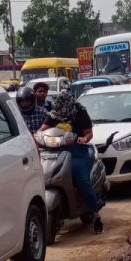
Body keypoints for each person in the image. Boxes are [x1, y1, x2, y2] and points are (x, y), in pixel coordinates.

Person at [41, 90, 103, 233]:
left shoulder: (80, 113)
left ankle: (96, 214)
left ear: (69, 103)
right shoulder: (54, 114)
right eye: (59, 105)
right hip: (56, 152)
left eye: (64, 105)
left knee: (81, 180)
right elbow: (43, 130)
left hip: (78, 151)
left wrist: (84, 139)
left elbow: (89, 133)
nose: (62, 108)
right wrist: (39, 136)